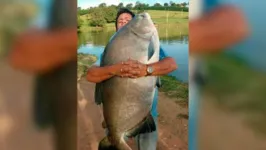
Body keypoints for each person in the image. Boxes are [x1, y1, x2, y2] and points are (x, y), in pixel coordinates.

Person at [86, 8, 177, 150]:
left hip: (146, 115)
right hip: (116, 119)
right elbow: (91, 74)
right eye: (120, 21)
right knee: (114, 137)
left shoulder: (150, 42)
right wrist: (116, 69)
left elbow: (171, 64)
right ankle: (115, 140)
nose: (123, 23)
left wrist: (146, 70)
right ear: (116, 26)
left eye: (128, 21)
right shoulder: (109, 50)